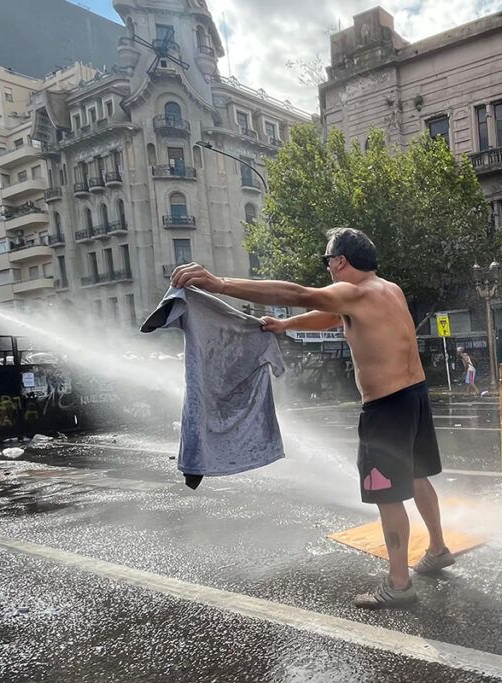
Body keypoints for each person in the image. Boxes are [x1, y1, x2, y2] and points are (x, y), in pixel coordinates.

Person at [171, 227, 453, 609]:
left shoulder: (352, 291)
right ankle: (437, 549)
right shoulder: (388, 290)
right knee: (417, 477)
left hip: (386, 408)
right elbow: (333, 317)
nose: (328, 269)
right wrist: (286, 325)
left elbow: (297, 293)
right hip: (414, 398)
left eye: (327, 260)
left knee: (388, 497)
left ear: (340, 261)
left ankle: (399, 585)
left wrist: (220, 283)